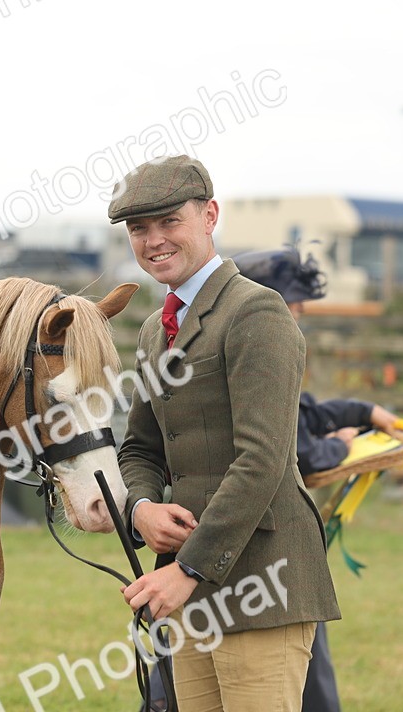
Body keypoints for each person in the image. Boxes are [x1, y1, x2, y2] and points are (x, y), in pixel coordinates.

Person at [109, 155, 340, 712]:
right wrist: (140, 508)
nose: (153, 240)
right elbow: (139, 447)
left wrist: (186, 571)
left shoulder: (256, 312)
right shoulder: (151, 331)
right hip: (189, 590)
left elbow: (262, 460)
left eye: (169, 222)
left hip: (263, 581)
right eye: (139, 229)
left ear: (210, 215)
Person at [230, 245, 403, 712]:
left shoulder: (243, 341)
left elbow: (304, 412)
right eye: (294, 304)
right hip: (263, 550)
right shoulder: (252, 345)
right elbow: (297, 451)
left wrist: (364, 411)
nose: (300, 315)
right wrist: (345, 446)